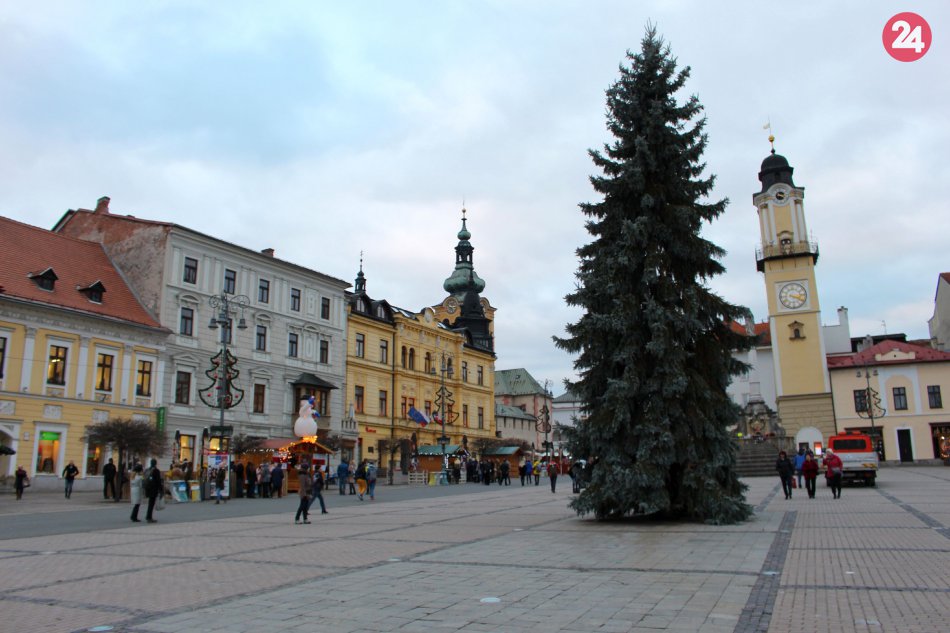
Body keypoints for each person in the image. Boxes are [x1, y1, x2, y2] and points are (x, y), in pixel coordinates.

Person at [143, 458, 164, 523]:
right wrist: (161, 490)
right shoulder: (156, 471)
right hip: (154, 489)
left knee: (150, 503)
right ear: (155, 463)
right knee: (151, 504)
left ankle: (148, 516)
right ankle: (149, 517)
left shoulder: (147, 470)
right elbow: (158, 481)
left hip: (148, 488)